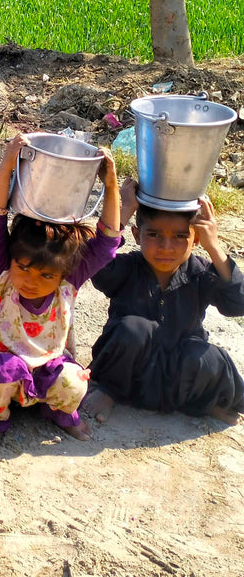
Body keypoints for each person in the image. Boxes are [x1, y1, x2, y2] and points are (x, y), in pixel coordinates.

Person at [0, 134, 122, 445]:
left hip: (46, 368)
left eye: (45, 275)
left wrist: (111, 185)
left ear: (62, 275)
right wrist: (8, 164)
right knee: (6, 369)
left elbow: (108, 242)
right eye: (25, 268)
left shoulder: (69, 282)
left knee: (74, 382)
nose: (31, 280)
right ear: (12, 260)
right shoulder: (1, 271)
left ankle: (57, 412)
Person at [82, 180, 244, 425]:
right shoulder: (127, 268)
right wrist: (124, 211)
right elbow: (96, 266)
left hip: (178, 382)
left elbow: (238, 303)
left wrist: (214, 246)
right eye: (154, 234)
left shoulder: (200, 273)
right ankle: (107, 391)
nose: (166, 247)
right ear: (137, 235)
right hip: (128, 376)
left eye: (180, 236)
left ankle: (205, 403)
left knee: (209, 355)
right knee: (132, 329)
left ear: (196, 239)